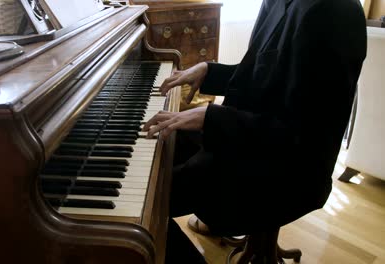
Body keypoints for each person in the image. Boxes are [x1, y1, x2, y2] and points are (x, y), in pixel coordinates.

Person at [142, 0, 367, 263]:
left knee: (153, 198)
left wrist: (210, 117)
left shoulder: (335, 12)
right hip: (254, 138)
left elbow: (301, 138)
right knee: (161, 145)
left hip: (288, 170)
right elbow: (262, 76)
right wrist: (208, 71)